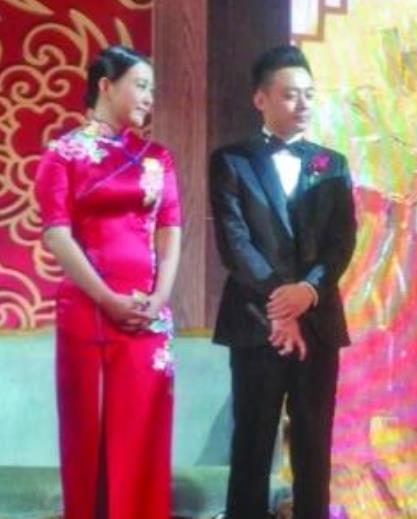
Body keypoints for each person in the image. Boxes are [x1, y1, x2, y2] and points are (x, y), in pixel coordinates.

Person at [209, 44, 357, 519]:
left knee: (314, 447)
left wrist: (307, 291)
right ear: (261, 99)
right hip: (257, 321)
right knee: (252, 446)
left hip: (318, 322)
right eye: (290, 94)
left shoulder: (332, 164)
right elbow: (234, 242)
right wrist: (280, 301)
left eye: (309, 94)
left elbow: (341, 241)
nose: (303, 104)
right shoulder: (231, 160)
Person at [34, 45, 181, 518]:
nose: (149, 98)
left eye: (152, 89)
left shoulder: (157, 158)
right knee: (90, 436)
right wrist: (107, 298)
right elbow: (57, 235)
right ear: (105, 85)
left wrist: (158, 299)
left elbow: (170, 231)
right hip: (89, 311)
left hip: (148, 316)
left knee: (144, 434)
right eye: (140, 86)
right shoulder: (62, 154)